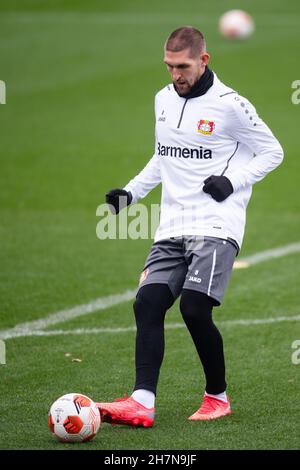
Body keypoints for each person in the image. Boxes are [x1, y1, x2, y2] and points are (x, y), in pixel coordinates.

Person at [98, 26, 283, 427]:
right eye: (169, 66)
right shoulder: (162, 100)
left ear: (204, 59)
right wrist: (130, 193)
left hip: (217, 224)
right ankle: (142, 401)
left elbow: (273, 151)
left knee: (195, 308)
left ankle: (217, 397)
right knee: (147, 303)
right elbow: (163, 156)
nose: (175, 74)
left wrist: (232, 182)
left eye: (182, 66)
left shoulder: (231, 105)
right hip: (172, 224)